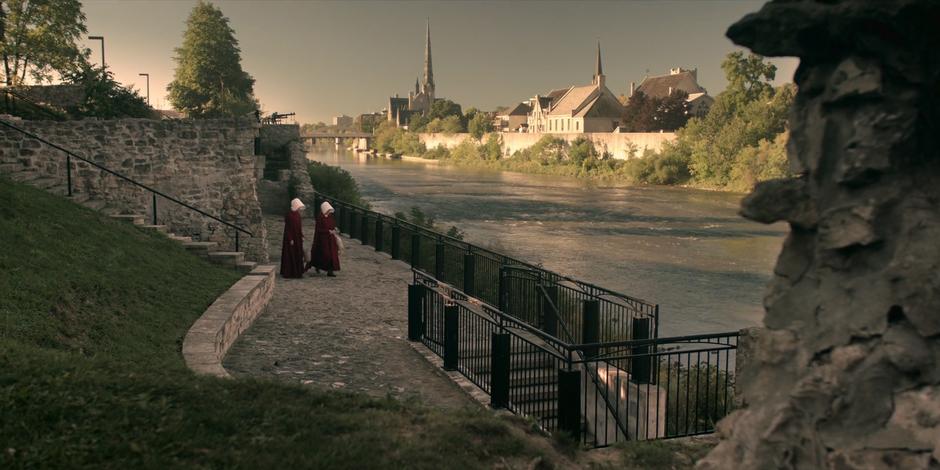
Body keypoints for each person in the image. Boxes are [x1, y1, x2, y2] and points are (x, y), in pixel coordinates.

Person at [306, 201, 341, 277]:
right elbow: (318, 230)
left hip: (330, 240)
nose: (329, 211)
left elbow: (332, 225)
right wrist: (328, 231)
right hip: (323, 240)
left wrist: (335, 229)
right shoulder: (320, 218)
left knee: (332, 255)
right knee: (324, 255)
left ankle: (330, 271)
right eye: (328, 210)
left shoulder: (330, 217)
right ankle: (318, 266)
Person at [279, 198, 307, 279]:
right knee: (290, 254)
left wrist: (301, 235)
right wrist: (290, 238)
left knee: (298, 253)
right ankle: (289, 272)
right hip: (291, 237)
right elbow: (288, 228)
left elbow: (299, 227)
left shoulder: (297, 215)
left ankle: (298, 272)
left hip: (297, 237)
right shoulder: (289, 215)